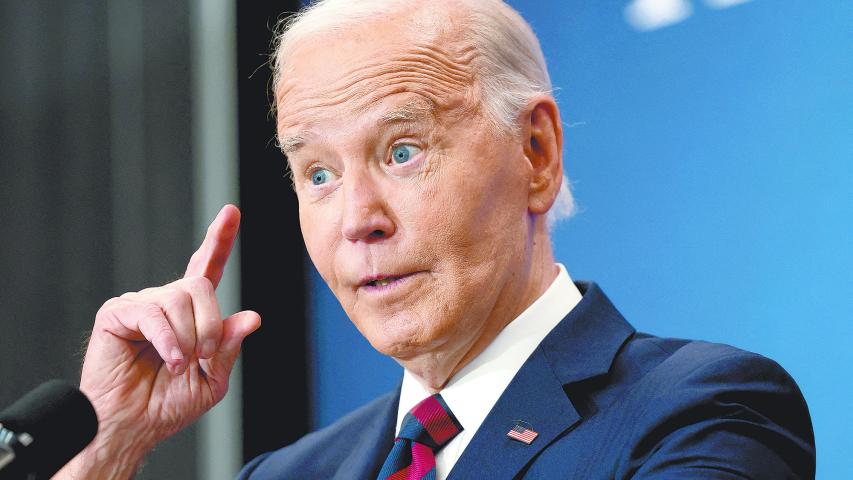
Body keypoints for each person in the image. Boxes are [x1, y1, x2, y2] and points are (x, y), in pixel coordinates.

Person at [57, 0, 815, 478]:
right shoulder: (286, 473)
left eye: (402, 151)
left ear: (536, 154)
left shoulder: (700, 412)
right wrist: (108, 449)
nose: (358, 219)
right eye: (317, 173)